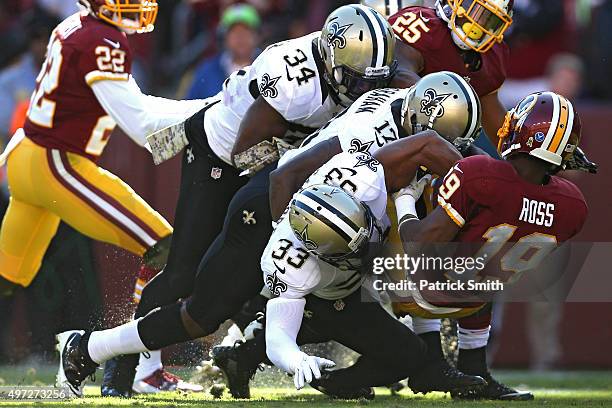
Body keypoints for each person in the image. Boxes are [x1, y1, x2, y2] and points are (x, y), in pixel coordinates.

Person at [58, 4, 398, 397]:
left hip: (262, 166)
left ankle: (221, 351)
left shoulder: (341, 66)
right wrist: (279, 183)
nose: (361, 91)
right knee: (184, 273)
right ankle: (125, 367)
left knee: (246, 274)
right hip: (220, 157)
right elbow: (246, 150)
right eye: (356, 80)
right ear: (334, 58)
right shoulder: (295, 82)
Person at [210, 71, 485, 399]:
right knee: (333, 293)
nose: (446, 151)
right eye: (444, 143)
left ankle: (244, 354)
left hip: (326, 221)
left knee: (348, 292)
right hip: (311, 213)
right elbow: (288, 175)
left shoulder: (399, 134)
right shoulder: (367, 148)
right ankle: (256, 345)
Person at [0, 0, 209, 393]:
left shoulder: (76, 24)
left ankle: (139, 365)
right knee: (164, 247)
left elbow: (136, 107)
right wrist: (210, 109)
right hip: (57, 163)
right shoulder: (104, 40)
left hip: (26, 157)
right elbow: (141, 123)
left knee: (6, 279)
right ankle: (141, 369)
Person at [391, 91, 590, 399]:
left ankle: (427, 358)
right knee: (479, 260)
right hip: (476, 296)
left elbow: (418, 244)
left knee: (409, 197)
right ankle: (474, 368)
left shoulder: (479, 174)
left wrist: (404, 197)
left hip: (417, 289)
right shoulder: (573, 205)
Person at [186, 4, 261, 100]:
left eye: (246, 32)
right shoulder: (206, 70)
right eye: (234, 33)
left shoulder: (269, 68)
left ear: (257, 36)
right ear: (225, 38)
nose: (240, 38)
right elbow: (191, 106)